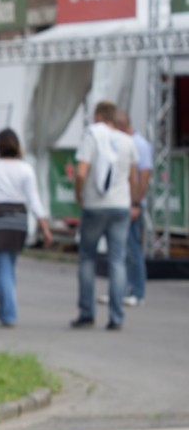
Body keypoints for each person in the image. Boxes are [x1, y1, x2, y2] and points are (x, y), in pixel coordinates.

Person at [0, 129, 53, 327]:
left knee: (2, 266)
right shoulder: (25, 168)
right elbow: (34, 200)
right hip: (18, 218)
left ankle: (8, 313)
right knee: (9, 266)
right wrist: (44, 227)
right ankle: (5, 308)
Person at [71, 100, 139, 331]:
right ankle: (116, 316)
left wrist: (78, 193)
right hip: (121, 205)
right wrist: (135, 201)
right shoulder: (128, 141)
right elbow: (134, 178)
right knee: (117, 260)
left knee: (88, 258)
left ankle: (87, 313)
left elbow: (81, 171)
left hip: (95, 205)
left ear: (99, 116)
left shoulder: (92, 136)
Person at [100, 110, 152, 308]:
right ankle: (119, 291)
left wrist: (136, 203)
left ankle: (137, 292)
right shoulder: (124, 143)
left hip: (131, 205)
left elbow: (144, 176)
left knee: (132, 250)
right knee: (119, 252)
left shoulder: (139, 144)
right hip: (121, 203)